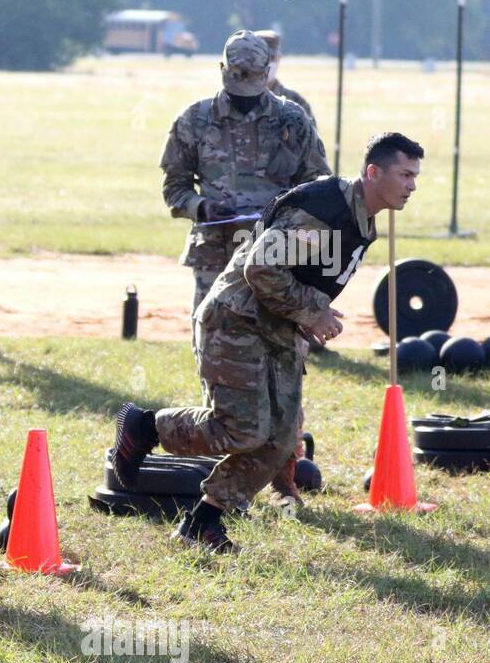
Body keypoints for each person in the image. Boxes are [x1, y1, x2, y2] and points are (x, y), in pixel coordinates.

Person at [113, 133, 423, 553]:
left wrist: (306, 316)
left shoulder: (361, 214)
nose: (412, 185)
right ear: (373, 172)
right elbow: (261, 268)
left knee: (280, 439)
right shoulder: (324, 211)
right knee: (244, 430)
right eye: (404, 174)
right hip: (236, 320)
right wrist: (314, 309)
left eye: (415, 176)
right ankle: (144, 426)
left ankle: (202, 523)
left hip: (277, 327)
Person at [160, 30, 329, 315]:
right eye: (237, 76)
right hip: (215, 251)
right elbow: (175, 186)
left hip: (276, 253)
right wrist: (202, 208)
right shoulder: (194, 120)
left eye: (251, 77)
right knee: (213, 337)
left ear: (266, 71)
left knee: (276, 341)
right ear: (221, 69)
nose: (243, 91)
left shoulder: (293, 119)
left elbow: (317, 184)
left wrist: (288, 218)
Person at [255, 30, 315, 125]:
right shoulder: (237, 99)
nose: (267, 62)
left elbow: (311, 137)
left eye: (271, 57)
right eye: (262, 57)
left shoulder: (296, 101)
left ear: (279, 57)